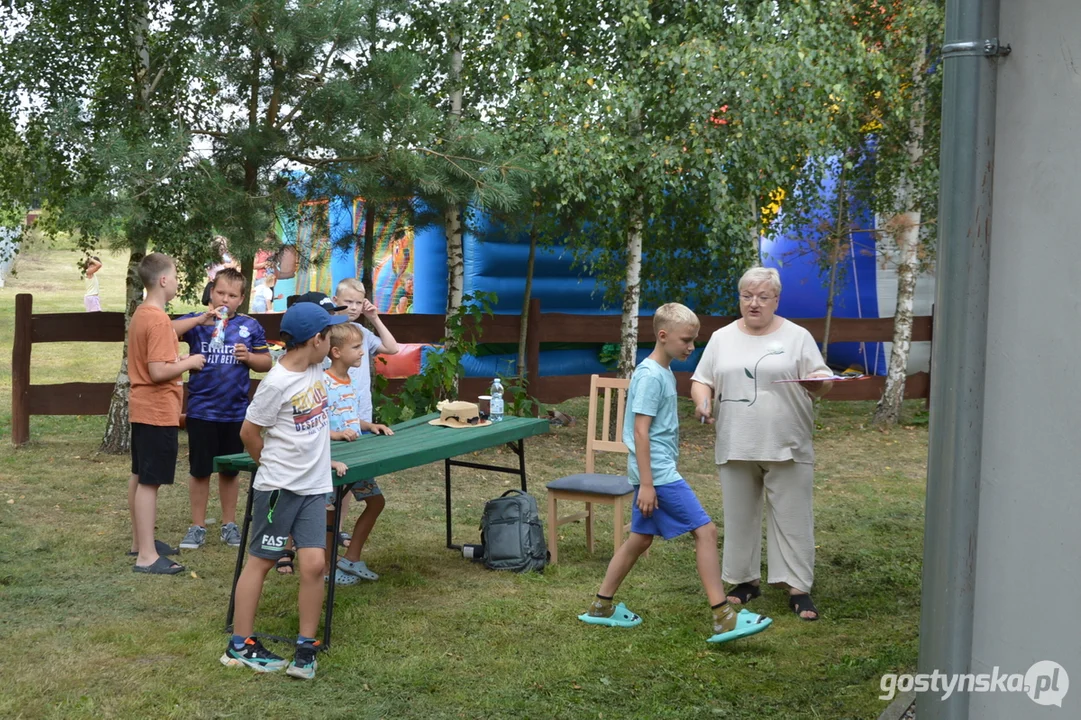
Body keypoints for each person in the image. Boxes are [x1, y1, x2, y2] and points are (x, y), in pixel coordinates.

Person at [578, 303, 773, 644]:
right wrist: (648, 485)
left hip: (652, 473)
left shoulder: (662, 372)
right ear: (663, 336)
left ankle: (601, 606)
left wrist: (700, 408)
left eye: (694, 340)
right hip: (659, 475)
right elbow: (640, 432)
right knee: (706, 532)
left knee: (639, 539)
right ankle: (723, 616)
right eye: (686, 340)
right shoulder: (651, 375)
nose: (691, 347)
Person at [690, 266, 834, 621]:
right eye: (747, 296)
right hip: (736, 439)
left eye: (762, 297)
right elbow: (701, 379)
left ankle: (798, 587)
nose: (754, 304)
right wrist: (702, 401)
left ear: (776, 300)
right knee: (739, 516)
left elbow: (822, 378)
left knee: (793, 516)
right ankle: (743, 581)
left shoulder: (797, 336)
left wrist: (819, 383)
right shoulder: (722, 337)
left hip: (787, 441)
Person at [222, 301, 348, 679]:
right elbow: (249, 432)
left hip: (313, 486)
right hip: (280, 489)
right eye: (330, 335)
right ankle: (240, 643)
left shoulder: (315, 364)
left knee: (314, 564)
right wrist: (269, 466)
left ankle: (306, 648)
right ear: (316, 340)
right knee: (260, 560)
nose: (334, 341)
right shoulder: (275, 383)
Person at [172, 268, 272, 551]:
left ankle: (229, 524)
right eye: (220, 293)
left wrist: (249, 357)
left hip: (235, 412)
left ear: (241, 298)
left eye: (232, 295)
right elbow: (165, 330)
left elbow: (267, 363)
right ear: (211, 292)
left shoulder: (249, 326)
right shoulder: (199, 322)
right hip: (202, 410)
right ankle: (197, 526)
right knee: (200, 470)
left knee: (230, 472)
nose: (224, 299)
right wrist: (198, 319)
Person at [127, 253, 205, 574]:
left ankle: (139, 542)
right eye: (174, 276)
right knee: (150, 481)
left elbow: (168, 329)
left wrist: (200, 318)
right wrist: (192, 360)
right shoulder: (156, 319)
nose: (176, 281)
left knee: (139, 475)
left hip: (141, 408)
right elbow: (159, 370)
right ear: (163, 280)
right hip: (157, 410)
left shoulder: (145, 314)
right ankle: (147, 556)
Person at [329, 278, 399, 550]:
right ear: (336, 301)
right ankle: (307, 537)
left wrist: (375, 318)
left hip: (359, 415)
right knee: (327, 481)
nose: (355, 307)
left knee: (349, 474)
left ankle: (337, 530)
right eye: (349, 302)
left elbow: (392, 348)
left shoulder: (360, 331)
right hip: (334, 417)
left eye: (360, 302)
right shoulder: (329, 332)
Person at [322, 322, 393, 585]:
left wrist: (369, 425)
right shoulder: (323, 382)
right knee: (330, 512)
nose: (363, 352)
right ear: (337, 352)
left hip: (355, 457)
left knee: (376, 502)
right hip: (331, 460)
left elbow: (349, 418)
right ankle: (328, 569)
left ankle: (351, 558)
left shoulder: (350, 380)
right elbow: (313, 426)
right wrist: (337, 435)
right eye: (356, 347)